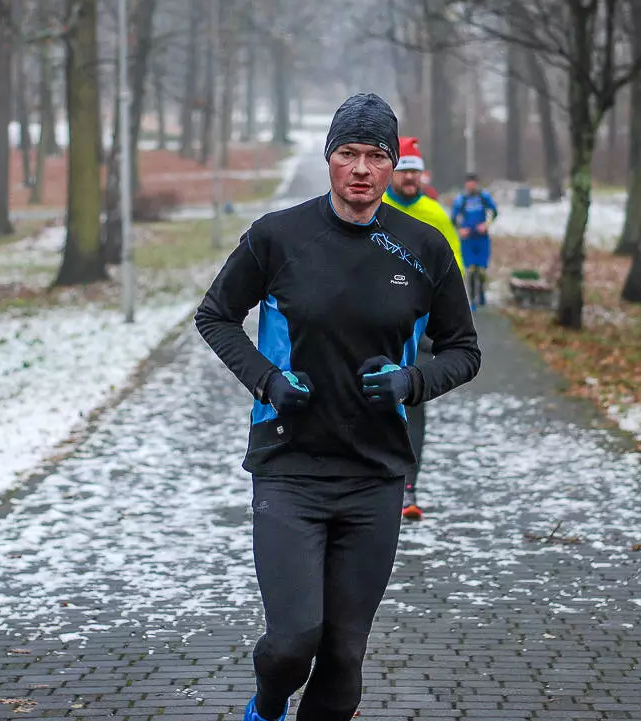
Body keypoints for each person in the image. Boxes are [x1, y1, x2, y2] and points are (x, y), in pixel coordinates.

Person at [195, 93, 481, 721]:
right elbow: (215, 316)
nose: (361, 168)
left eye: (376, 155)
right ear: (329, 160)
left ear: (393, 163)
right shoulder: (278, 236)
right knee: (294, 642)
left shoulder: (425, 246)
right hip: (289, 467)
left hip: (375, 473)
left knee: (344, 658)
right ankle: (267, 706)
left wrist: (411, 382)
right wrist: (267, 381)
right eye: (347, 153)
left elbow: (463, 350)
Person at [381, 136, 464, 521]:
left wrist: (448, 322)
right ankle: (374, 480)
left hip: (421, 329)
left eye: (414, 172)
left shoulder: (435, 214)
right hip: (376, 326)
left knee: (413, 404)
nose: (409, 178)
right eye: (403, 172)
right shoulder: (375, 209)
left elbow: (454, 271)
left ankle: (408, 483)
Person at [450, 172, 499, 311]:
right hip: (468, 239)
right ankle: (472, 300)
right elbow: (453, 217)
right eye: (468, 182)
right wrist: (460, 229)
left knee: (481, 270)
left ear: (477, 183)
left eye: (473, 182)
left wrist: (486, 225)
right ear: (466, 184)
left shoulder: (484, 197)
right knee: (470, 269)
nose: (471, 185)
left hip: (482, 238)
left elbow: (494, 212)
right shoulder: (461, 199)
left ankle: (482, 293)